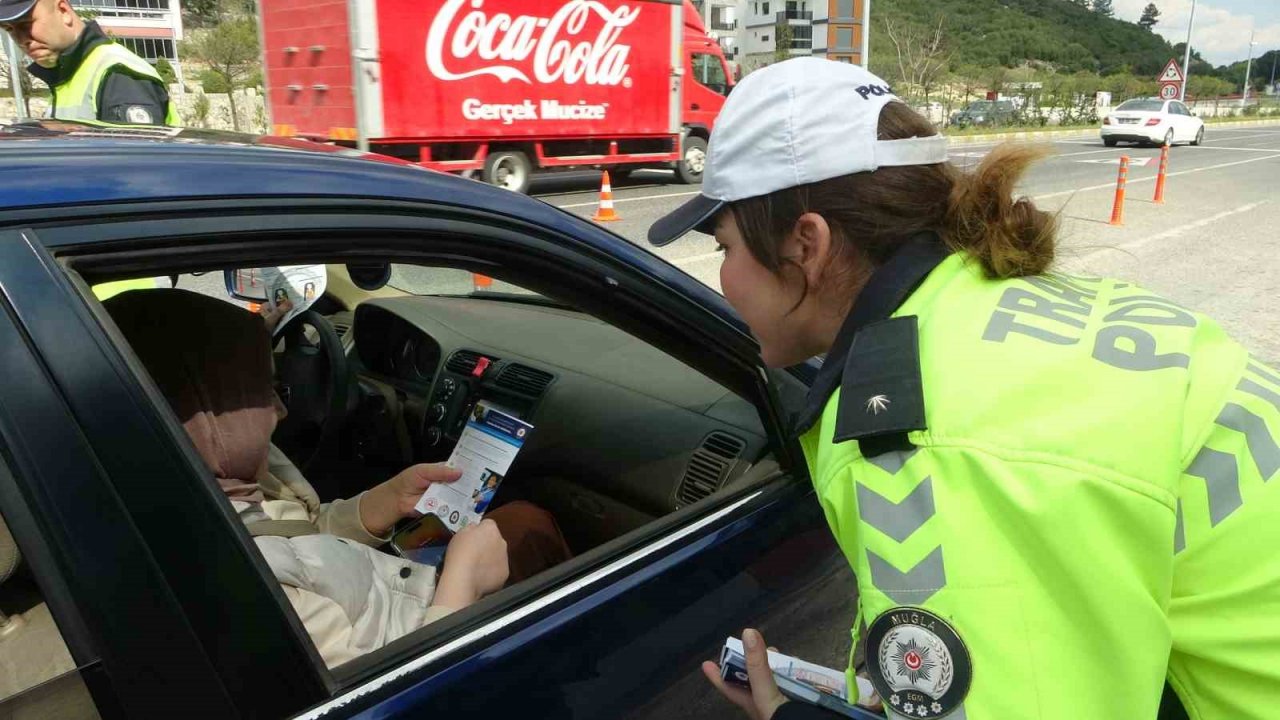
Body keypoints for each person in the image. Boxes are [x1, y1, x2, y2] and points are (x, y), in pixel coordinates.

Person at [649, 58, 1280, 720]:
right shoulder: (1001, 308)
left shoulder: (930, 444)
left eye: (724, 249)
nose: (722, 280)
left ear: (807, 244)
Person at [105, 288, 572, 668]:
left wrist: (379, 505)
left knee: (521, 522)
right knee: (531, 529)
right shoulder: (236, 592)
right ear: (206, 411)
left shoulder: (197, 480)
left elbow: (292, 534)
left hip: (388, 590)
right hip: (424, 633)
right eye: (260, 390)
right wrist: (463, 582)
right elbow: (400, 696)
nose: (281, 410)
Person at [0, 0, 176, 125]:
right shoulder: (67, 74)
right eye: (9, 29)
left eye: (26, 24)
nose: (21, 39)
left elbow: (134, 169)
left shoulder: (118, 74)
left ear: (64, 12)